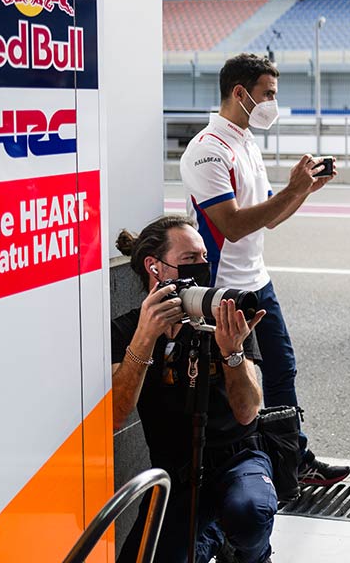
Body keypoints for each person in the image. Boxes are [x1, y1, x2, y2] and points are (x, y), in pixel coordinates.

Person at [180, 52, 350, 488]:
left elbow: (269, 217)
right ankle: (264, 469)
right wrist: (293, 188)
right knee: (243, 386)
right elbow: (233, 225)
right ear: (240, 93)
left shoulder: (245, 141)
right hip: (223, 290)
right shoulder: (205, 151)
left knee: (282, 371)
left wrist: (304, 190)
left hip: (258, 280)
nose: (274, 102)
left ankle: (292, 460)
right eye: (268, 94)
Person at [112, 216, 275, 563]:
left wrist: (233, 353)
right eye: (190, 260)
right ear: (154, 267)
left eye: (204, 258)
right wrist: (145, 337)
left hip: (238, 458)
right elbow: (114, 416)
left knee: (248, 513)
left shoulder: (226, 315)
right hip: (176, 473)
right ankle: (210, 540)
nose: (202, 267)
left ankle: (251, 554)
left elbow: (248, 414)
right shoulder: (126, 330)